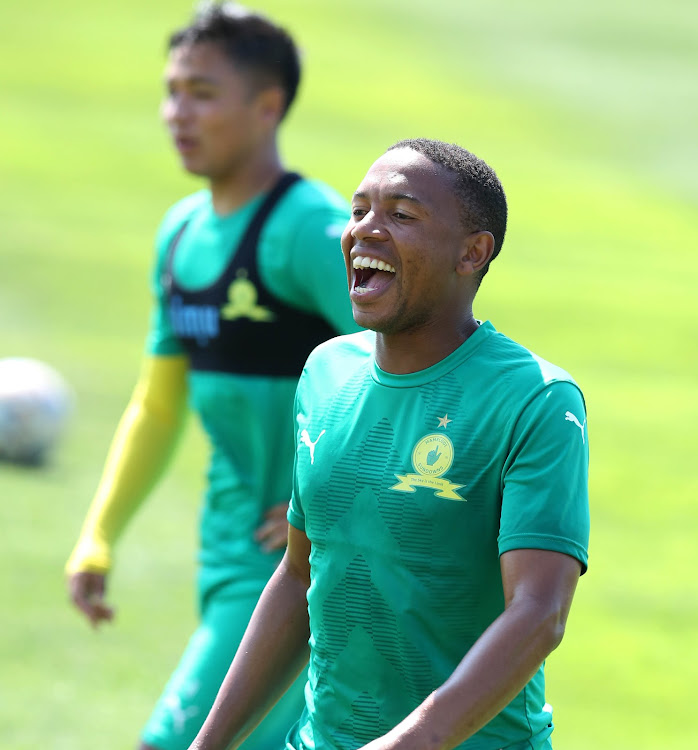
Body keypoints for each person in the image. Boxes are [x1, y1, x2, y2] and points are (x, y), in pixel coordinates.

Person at [187, 138, 591, 750]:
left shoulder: (535, 399)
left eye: (401, 215)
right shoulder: (325, 371)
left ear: (471, 253)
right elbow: (300, 575)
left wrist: (414, 741)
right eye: (358, 212)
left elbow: (538, 612)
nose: (364, 231)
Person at [65, 3, 358, 750]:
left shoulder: (309, 231)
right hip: (226, 553)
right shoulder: (181, 232)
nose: (176, 113)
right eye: (171, 90)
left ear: (268, 107)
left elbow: (407, 369)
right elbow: (158, 405)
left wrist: (317, 502)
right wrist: (100, 535)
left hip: (295, 570)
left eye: (201, 92)